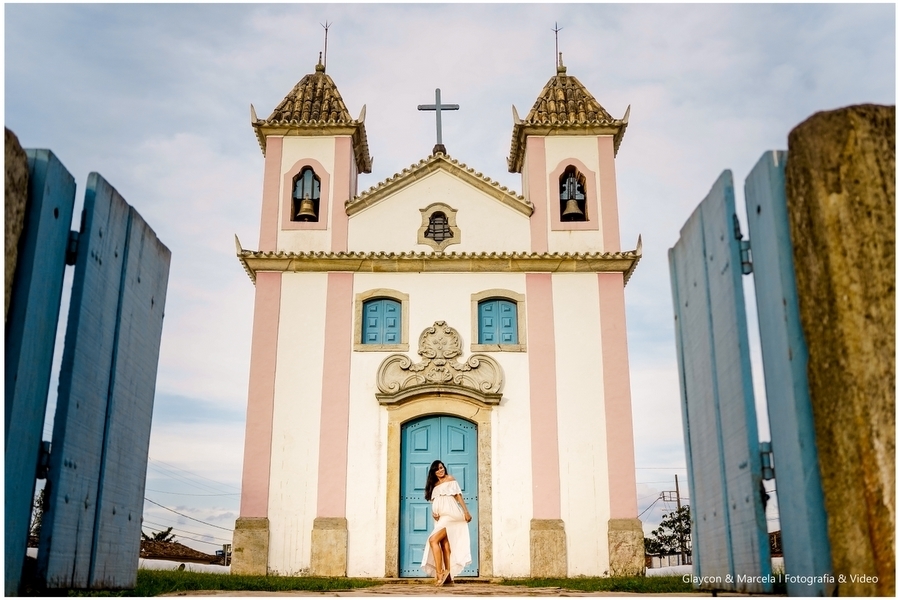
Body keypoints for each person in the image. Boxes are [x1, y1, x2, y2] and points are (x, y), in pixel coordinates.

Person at [421, 460, 472, 585]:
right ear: (433, 472)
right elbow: (436, 501)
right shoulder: (434, 485)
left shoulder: (450, 479)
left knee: (433, 540)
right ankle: (448, 577)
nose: (440, 470)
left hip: (452, 515)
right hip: (441, 518)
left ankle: (440, 573)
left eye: (441, 467)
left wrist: (466, 512)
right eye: (437, 469)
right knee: (445, 545)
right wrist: (434, 513)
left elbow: (458, 496)